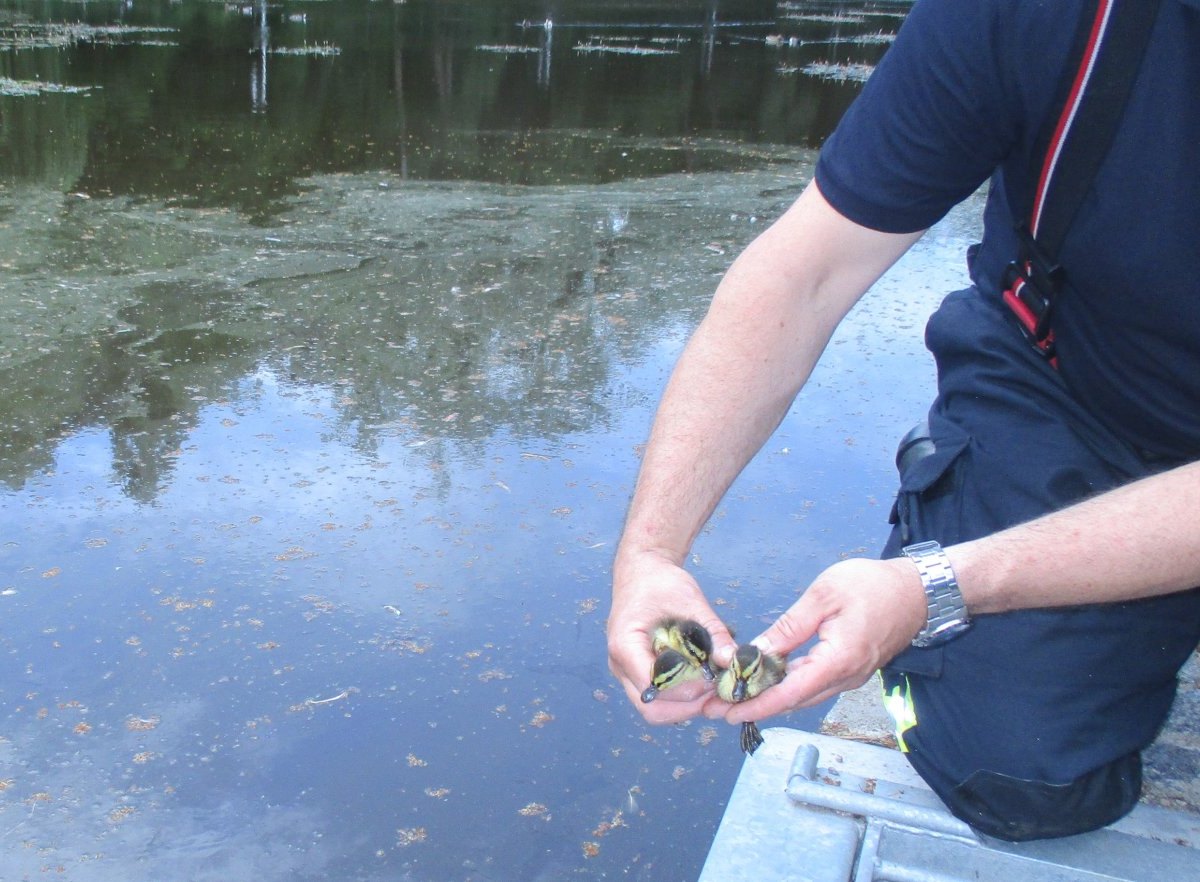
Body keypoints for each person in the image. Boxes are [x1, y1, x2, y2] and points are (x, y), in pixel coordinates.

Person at [607, 0, 1200, 842]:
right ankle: (959, 489)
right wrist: (649, 552)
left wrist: (943, 585)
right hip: (1069, 387)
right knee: (1015, 771)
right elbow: (801, 276)